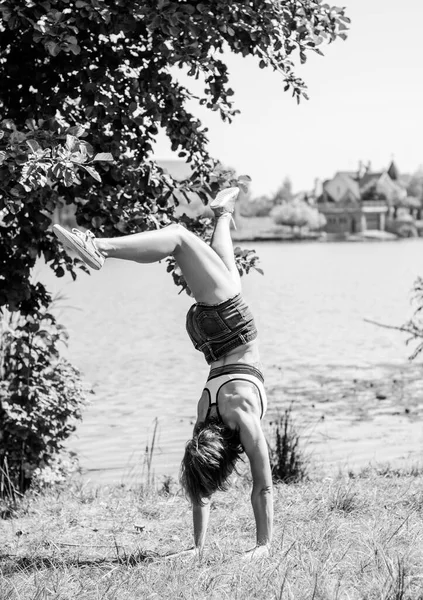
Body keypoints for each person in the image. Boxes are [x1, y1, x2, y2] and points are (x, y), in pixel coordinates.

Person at [53, 187, 273, 559]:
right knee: (214, 261)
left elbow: (254, 488)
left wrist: (216, 547)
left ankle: (102, 246)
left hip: (230, 327)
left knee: (182, 240)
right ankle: (219, 215)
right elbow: (216, 485)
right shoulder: (207, 414)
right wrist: (259, 548)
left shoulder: (240, 415)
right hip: (209, 333)